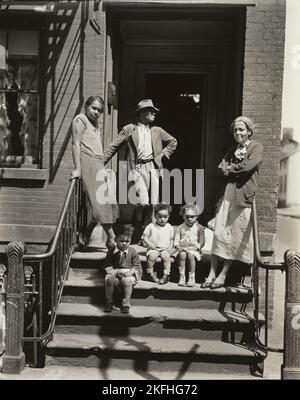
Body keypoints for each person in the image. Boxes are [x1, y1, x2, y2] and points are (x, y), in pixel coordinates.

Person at [201, 116, 263, 289]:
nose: (238, 133)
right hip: (228, 194)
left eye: (241, 129)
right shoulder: (231, 150)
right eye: (235, 130)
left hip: (243, 196)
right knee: (219, 232)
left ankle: (223, 274)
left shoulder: (256, 147)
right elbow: (221, 170)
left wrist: (231, 169)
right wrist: (231, 170)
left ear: (249, 131)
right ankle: (211, 273)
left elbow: (248, 166)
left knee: (234, 235)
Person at [103, 99, 177, 225]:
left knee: (154, 202)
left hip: (153, 167)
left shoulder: (157, 130)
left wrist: (162, 155)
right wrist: (100, 162)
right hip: (136, 168)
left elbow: (173, 141)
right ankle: (137, 224)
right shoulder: (129, 129)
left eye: (154, 111)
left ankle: (149, 230)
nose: (154, 113)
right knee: (143, 201)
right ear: (142, 113)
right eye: (151, 111)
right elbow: (113, 146)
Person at [70, 95, 118, 249]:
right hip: (88, 161)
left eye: (100, 110)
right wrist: (77, 169)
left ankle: (85, 235)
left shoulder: (95, 123)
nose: (96, 112)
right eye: (94, 108)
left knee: (106, 201)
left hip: (98, 162)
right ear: (86, 106)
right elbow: (75, 144)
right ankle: (113, 239)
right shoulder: (80, 119)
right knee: (100, 203)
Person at [103, 224, 142, 313]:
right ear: (116, 240)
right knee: (110, 281)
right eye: (121, 241)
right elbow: (107, 264)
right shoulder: (111, 251)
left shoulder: (132, 251)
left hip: (128, 273)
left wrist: (131, 272)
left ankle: (126, 303)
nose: (124, 243)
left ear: (130, 240)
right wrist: (112, 272)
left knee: (127, 282)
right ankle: (109, 302)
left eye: (127, 241)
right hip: (114, 272)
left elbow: (137, 265)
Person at [173, 203, 205, 287]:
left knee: (191, 255)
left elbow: (202, 241)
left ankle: (191, 277)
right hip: (182, 248)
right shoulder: (180, 228)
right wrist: (179, 247)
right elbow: (176, 241)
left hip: (194, 249)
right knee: (182, 255)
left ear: (197, 216)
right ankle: (182, 276)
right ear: (183, 216)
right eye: (187, 216)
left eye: (192, 216)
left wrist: (197, 247)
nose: (189, 219)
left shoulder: (200, 228)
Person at [142, 203, 174, 285]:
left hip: (165, 249)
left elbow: (171, 239)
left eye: (165, 217)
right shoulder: (151, 226)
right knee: (152, 257)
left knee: (166, 257)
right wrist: (150, 244)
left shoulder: (169, 227)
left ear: (169, 216)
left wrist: (170, 248)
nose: (162, 219)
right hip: (153, 248)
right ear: (155, 216)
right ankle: (149, 273)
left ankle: (166, 275)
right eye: (160, 216)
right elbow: (145, 237)